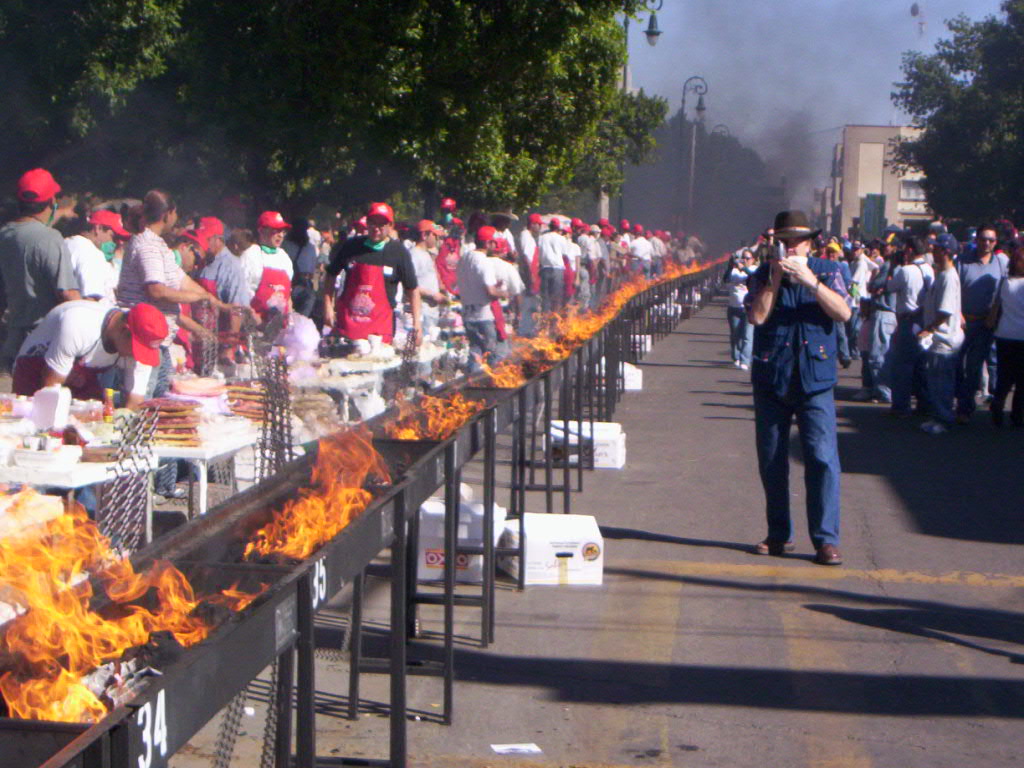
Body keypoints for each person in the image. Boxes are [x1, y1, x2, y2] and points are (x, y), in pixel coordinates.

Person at [746, 210, 851, 566]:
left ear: (811, 243)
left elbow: (843, 313)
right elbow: (757, 316)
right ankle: (779, 534)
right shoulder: (762, 273)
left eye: (798, 242)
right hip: (772, 378)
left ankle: (825, 540)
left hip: (815, 381)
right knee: (773, 461)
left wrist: (810, 282)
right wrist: (775, 278)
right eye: (785, 242)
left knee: (822, 459)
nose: (792, 249)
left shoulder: (829, 270)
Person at [0, 169, 81, 370]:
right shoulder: (50, 238)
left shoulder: (5, 235)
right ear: (51, 201)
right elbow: (67, 292)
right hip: (43, 341)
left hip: (12, 338)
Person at [13, 301, 166, 407]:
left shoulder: (139, 341)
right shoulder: (79, 323)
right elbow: (50, 389)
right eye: (136, 349)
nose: (136, 356)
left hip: (80, 376)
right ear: (124, 330)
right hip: (36, 368)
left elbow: (135, 400)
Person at [322, 202, 421, 344]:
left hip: (380, 334)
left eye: (382, 224)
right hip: (348, 330)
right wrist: (328, 306)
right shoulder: (351, 246)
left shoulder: (398, 252)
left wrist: (417, 324)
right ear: (367, 223)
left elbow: (412, 289)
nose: (376, 228)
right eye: (373, 223)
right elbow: (330, 275)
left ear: (390, 226)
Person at [955, 225, 1008, 422]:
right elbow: (954, 289)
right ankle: (959, 398)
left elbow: (1004, 292)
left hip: (986, 323)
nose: (986, 243)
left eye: (991, 240)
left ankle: (965, 408)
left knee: (975, 366)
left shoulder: (1001, 263)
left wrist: (994, 316)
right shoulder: (962, 261)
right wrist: (958, 314)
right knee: (956, 364)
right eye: (983, 239)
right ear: (976, 239)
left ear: (995, 243)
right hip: (963, 322)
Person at [917, 234, 964, 434]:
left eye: (936, 248)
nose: (932, 251)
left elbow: (945, 311)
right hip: (938, 339)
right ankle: (937, 415)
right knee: (934, 381)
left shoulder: (949, 276)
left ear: (945, 251)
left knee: (942, 382)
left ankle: (944, 418)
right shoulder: (941, 274)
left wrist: (929, 328)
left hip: (944, 339)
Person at [887, 237, 934, 417]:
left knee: (902, 365)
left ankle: (901, 406)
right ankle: (924, 403)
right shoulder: (929, 270)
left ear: (909, 251)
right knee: (921, 364)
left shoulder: (905, 270)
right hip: (924, 318)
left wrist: (893, 267)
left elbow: (890, 286)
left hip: (908, 319)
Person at [457, 226, 508, 365]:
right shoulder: (484, 261)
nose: (496, 245)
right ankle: (490, 383)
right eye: (494, 242)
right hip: (483, 316)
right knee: (492, 354)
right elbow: (490, 292)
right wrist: (504, 293)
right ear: (488, 243)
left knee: (475, 352)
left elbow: (472, 282)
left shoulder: (464, 257)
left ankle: (472, 382)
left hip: (467, 313)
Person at [988, 241, 1024, 426]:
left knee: (1005, 375)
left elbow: (996, 307)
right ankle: (1017, 416)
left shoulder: (1005, 283)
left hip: (1004, 334)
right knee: (1021, 380)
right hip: (1022, 336)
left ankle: (997, 404)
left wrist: (991, 325)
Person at [64, 209, 128, 304]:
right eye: (114, 237)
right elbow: (91, 299)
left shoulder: (68, 243)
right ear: (98, 228)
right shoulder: (90, 253)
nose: (117, 243)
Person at [243, 211, 294, 323]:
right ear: (261, 231)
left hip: (280, 328)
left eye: (282, 231)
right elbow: (243, 295)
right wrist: (256, 321)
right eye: (275, 230)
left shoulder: (284, 257)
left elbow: (288, 297)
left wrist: (290, 320)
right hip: (256, 327)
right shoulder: (252, 254)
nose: (280, 235)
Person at [409, 219, 448, 338]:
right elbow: (409, 285)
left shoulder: (426, 254)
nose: (437, 239)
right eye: (435, 235)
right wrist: (432, 294)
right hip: (422, 310)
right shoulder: (414, 254)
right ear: (424, 235)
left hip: (431, 310)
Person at [283, 217, 318, 318]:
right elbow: (312, 269)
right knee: (309, 299)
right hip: (293, 283)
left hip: (300, 284)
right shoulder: (309, 247)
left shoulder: (285, 245)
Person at [725, 249, 755, 369]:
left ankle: (745, 360)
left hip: (749, 307)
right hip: (734, 307)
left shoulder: (754, 269)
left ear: (753, 259)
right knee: (735, 334)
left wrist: (744, 268)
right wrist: (730, 265)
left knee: (747, 336)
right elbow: (726, 279)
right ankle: (736, 357)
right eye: (743, 258)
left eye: (747, 258)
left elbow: (755, 278)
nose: (745, 260)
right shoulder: (733, 271)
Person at [537, 217, 570, 314]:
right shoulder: (562, 238)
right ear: (558, 228)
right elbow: (565, 253)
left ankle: (544, 318)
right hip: (558, 269)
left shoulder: (542, 237)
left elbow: (539, 251)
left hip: (545, 268)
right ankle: (554, 318)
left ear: (550, 226)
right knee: (556, 297)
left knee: (545, 296)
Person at [517, 213, 543, 335]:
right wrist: (531, 275)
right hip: (529, 274)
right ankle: (526, 330)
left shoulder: (529, 236)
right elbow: (527, 258)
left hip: (533, 272)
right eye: (538, 225)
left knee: (533, 301)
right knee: (529, 302)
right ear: (532, 224)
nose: (539, 227)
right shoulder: (526, 236)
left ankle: (530, 328)